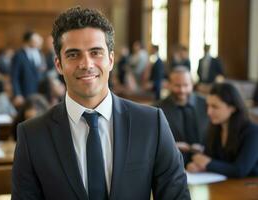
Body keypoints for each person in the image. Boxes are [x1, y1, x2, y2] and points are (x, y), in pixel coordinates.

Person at [12, 7, 190, 200]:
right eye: (73, 54)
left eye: (95, 52)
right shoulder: (32, 135)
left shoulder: (151, 123)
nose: (87, 64)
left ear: (111, 59)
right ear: (58, 64)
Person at [187, 82, 258, 177]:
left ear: (232, 108)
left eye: (215, 107)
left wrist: (208, 163)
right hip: (222, 185)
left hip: (248, 187)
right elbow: (206, 157)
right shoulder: (214, 128)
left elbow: (240, 170)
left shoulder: (253, 132)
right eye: (208, 106)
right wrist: (198, 165)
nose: (209, 112)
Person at [156, 67, 209, 164]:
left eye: (186, 85)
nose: (182, 90)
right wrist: (172, 145)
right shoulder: (157, 109)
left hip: (205, 161)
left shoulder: (207, 104)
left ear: (192, 85)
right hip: (173, 162)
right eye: (177, 85)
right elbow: (153, 141)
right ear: (168, 85)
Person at [11, 31, 41, 107]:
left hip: (37, 92)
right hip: (24, 92)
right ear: (29, 41)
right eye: (36, 40)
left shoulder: (37, 53)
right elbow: (14, 77)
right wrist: (17, 94)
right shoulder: (18, 55)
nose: (39, 42)